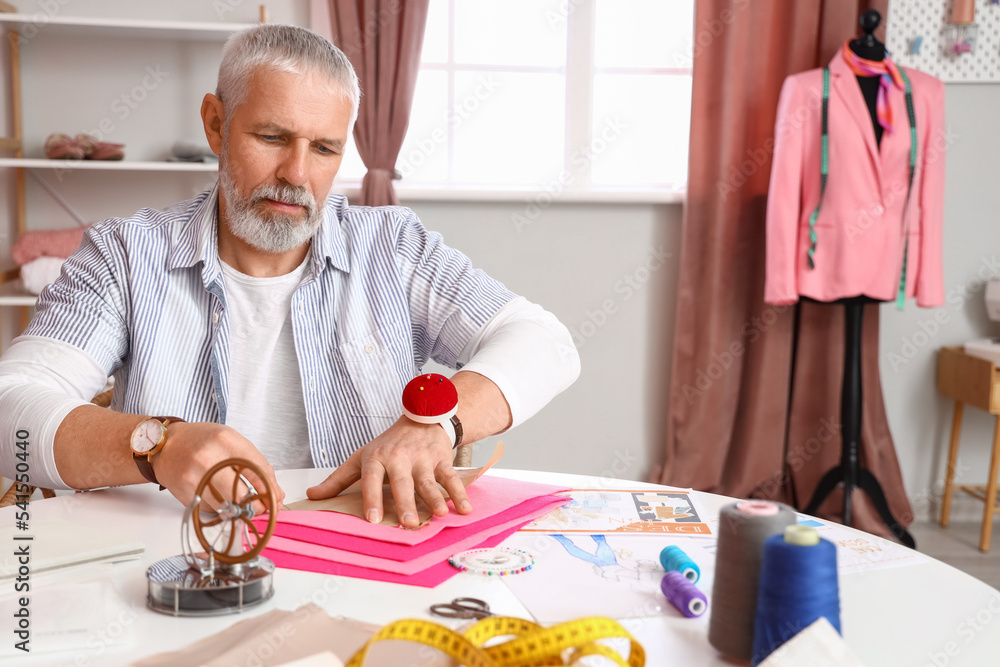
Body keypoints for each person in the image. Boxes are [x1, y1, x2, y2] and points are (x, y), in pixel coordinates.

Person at [0, 24, 579, 528]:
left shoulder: (394, 248)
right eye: (272, 138)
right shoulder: (124, 256)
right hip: (179, 560)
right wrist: (159, 445)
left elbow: (544, 340)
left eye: (324, 148)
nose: (296, 175)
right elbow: (11, 408)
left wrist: (441, 426)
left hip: (365, 559)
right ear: (215, 125)